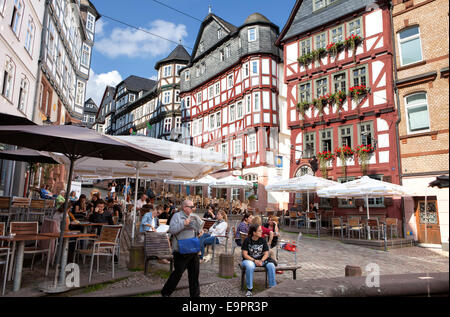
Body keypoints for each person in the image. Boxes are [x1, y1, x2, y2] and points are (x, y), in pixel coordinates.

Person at [161, 200, 203, 297]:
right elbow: (171, 230)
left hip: (193, 248)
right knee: (178, 273)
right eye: (191, 207)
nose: (193, 209)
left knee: (194, 273)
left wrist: (200, 232)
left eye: (193, 207)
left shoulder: (194, 216)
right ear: (184, 207)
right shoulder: (177, 216)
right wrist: (183, 224)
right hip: (181, 250)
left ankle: (195, 295)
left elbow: (196, 230)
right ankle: (165, 292)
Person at [241, 224, 277, 297]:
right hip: (249, 260)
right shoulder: (247, 240)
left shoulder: (262, 240)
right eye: (260, 230)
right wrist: (255, 261)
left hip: (261, 260)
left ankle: (272, 288)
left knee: (271, 265)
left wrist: (261, 261)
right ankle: (249, 289)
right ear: (254, 233)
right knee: (250, 266)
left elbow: (266, 254)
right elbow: (245, 255)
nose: (262, 232)